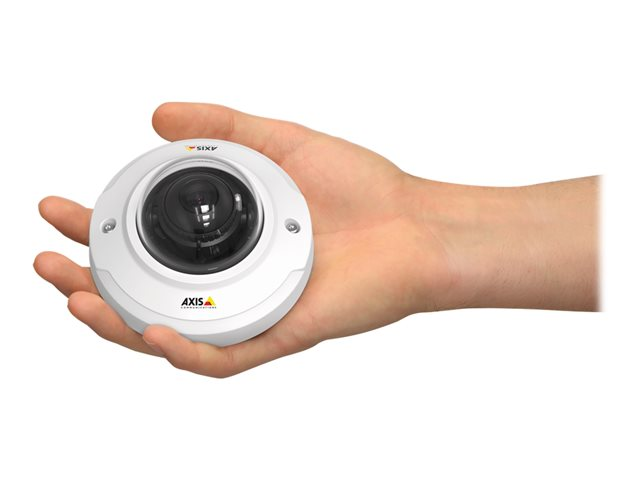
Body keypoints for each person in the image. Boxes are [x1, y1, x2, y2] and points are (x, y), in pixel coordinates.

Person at [34, 102, 599, 378]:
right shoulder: (148, 202)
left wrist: (420, 224)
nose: (201, 209)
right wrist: (422, 224)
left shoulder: (259, 202)